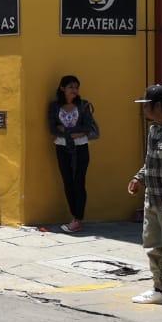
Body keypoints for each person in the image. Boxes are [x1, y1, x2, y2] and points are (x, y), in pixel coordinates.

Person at [129, 84, 162, 311]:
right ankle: (161, 289)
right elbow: (150, 161)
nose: (144, 110)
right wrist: (139, 178)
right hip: (153, 201)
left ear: (158, 106)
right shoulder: (154, 130)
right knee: (154, 247)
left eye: (146, 106)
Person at [49, 75, 98, 233]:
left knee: (79, 182)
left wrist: (67, 131)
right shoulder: (54, 106)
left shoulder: (83, 106)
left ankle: (78, 219)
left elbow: (88, 126)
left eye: (76, 87)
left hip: (81, 147)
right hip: (62, 147)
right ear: (62, 88)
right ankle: (75, 216)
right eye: (71, 87)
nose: (74, 90)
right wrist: (74, 132)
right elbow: (53, 128)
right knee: (68, 182)